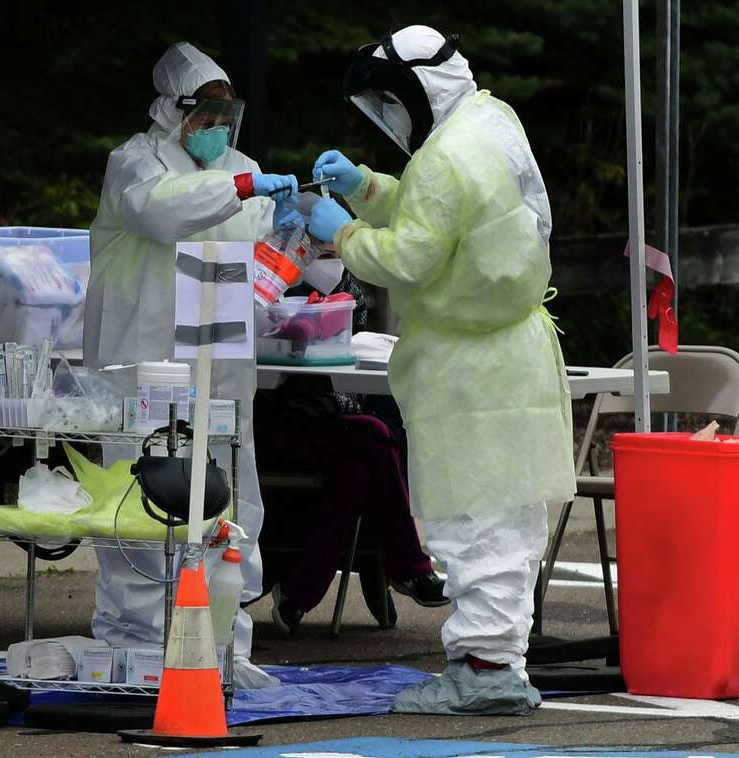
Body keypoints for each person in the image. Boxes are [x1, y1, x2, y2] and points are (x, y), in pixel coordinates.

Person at [307, 25, 575, 715]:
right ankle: (501, 664)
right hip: (511, 354)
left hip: (470, 369)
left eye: (388, 103)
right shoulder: (490, 120)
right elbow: (448, 216)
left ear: (414, 92)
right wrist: (369, 188)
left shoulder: (444, 158)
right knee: (508, 519)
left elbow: (407, 258)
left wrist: (337, 227)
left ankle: (483, 672)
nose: (388, 118)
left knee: (471, 519)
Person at [83, 42, 296, 688]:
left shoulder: (246, 170)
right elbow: (165, 210)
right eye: (207, 114)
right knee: (138, 502)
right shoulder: (135, 165)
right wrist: (242, 189)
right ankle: (139, 648)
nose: (219, 130)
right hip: (139, 367)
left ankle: (224, 645)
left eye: (227, 117)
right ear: (172, 110)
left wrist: (307, 227)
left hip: (220, 368)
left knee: (232, 501)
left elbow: (277, 254)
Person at [255, 267, 447, 636]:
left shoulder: (342, 281)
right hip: (263, 419)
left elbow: (350, 332)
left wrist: (333, 278)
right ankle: (408, 569)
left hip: (326, 421)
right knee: (371, 439)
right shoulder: (265, 273)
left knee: (361, 464)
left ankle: (300, 593)